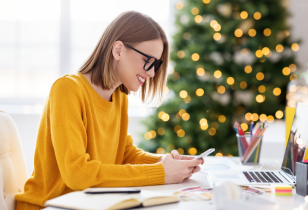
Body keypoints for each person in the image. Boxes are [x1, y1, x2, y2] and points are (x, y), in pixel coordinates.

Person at [15, 11, 203, 210]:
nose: (151, 72)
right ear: (119, 50)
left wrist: (164, 162)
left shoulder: (119, 96)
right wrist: (161, 173)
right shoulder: (67, 90)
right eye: (148, 60)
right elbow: (77, 174)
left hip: (88, 204)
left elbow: (123, 153)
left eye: (156, 64)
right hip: (48, 206)